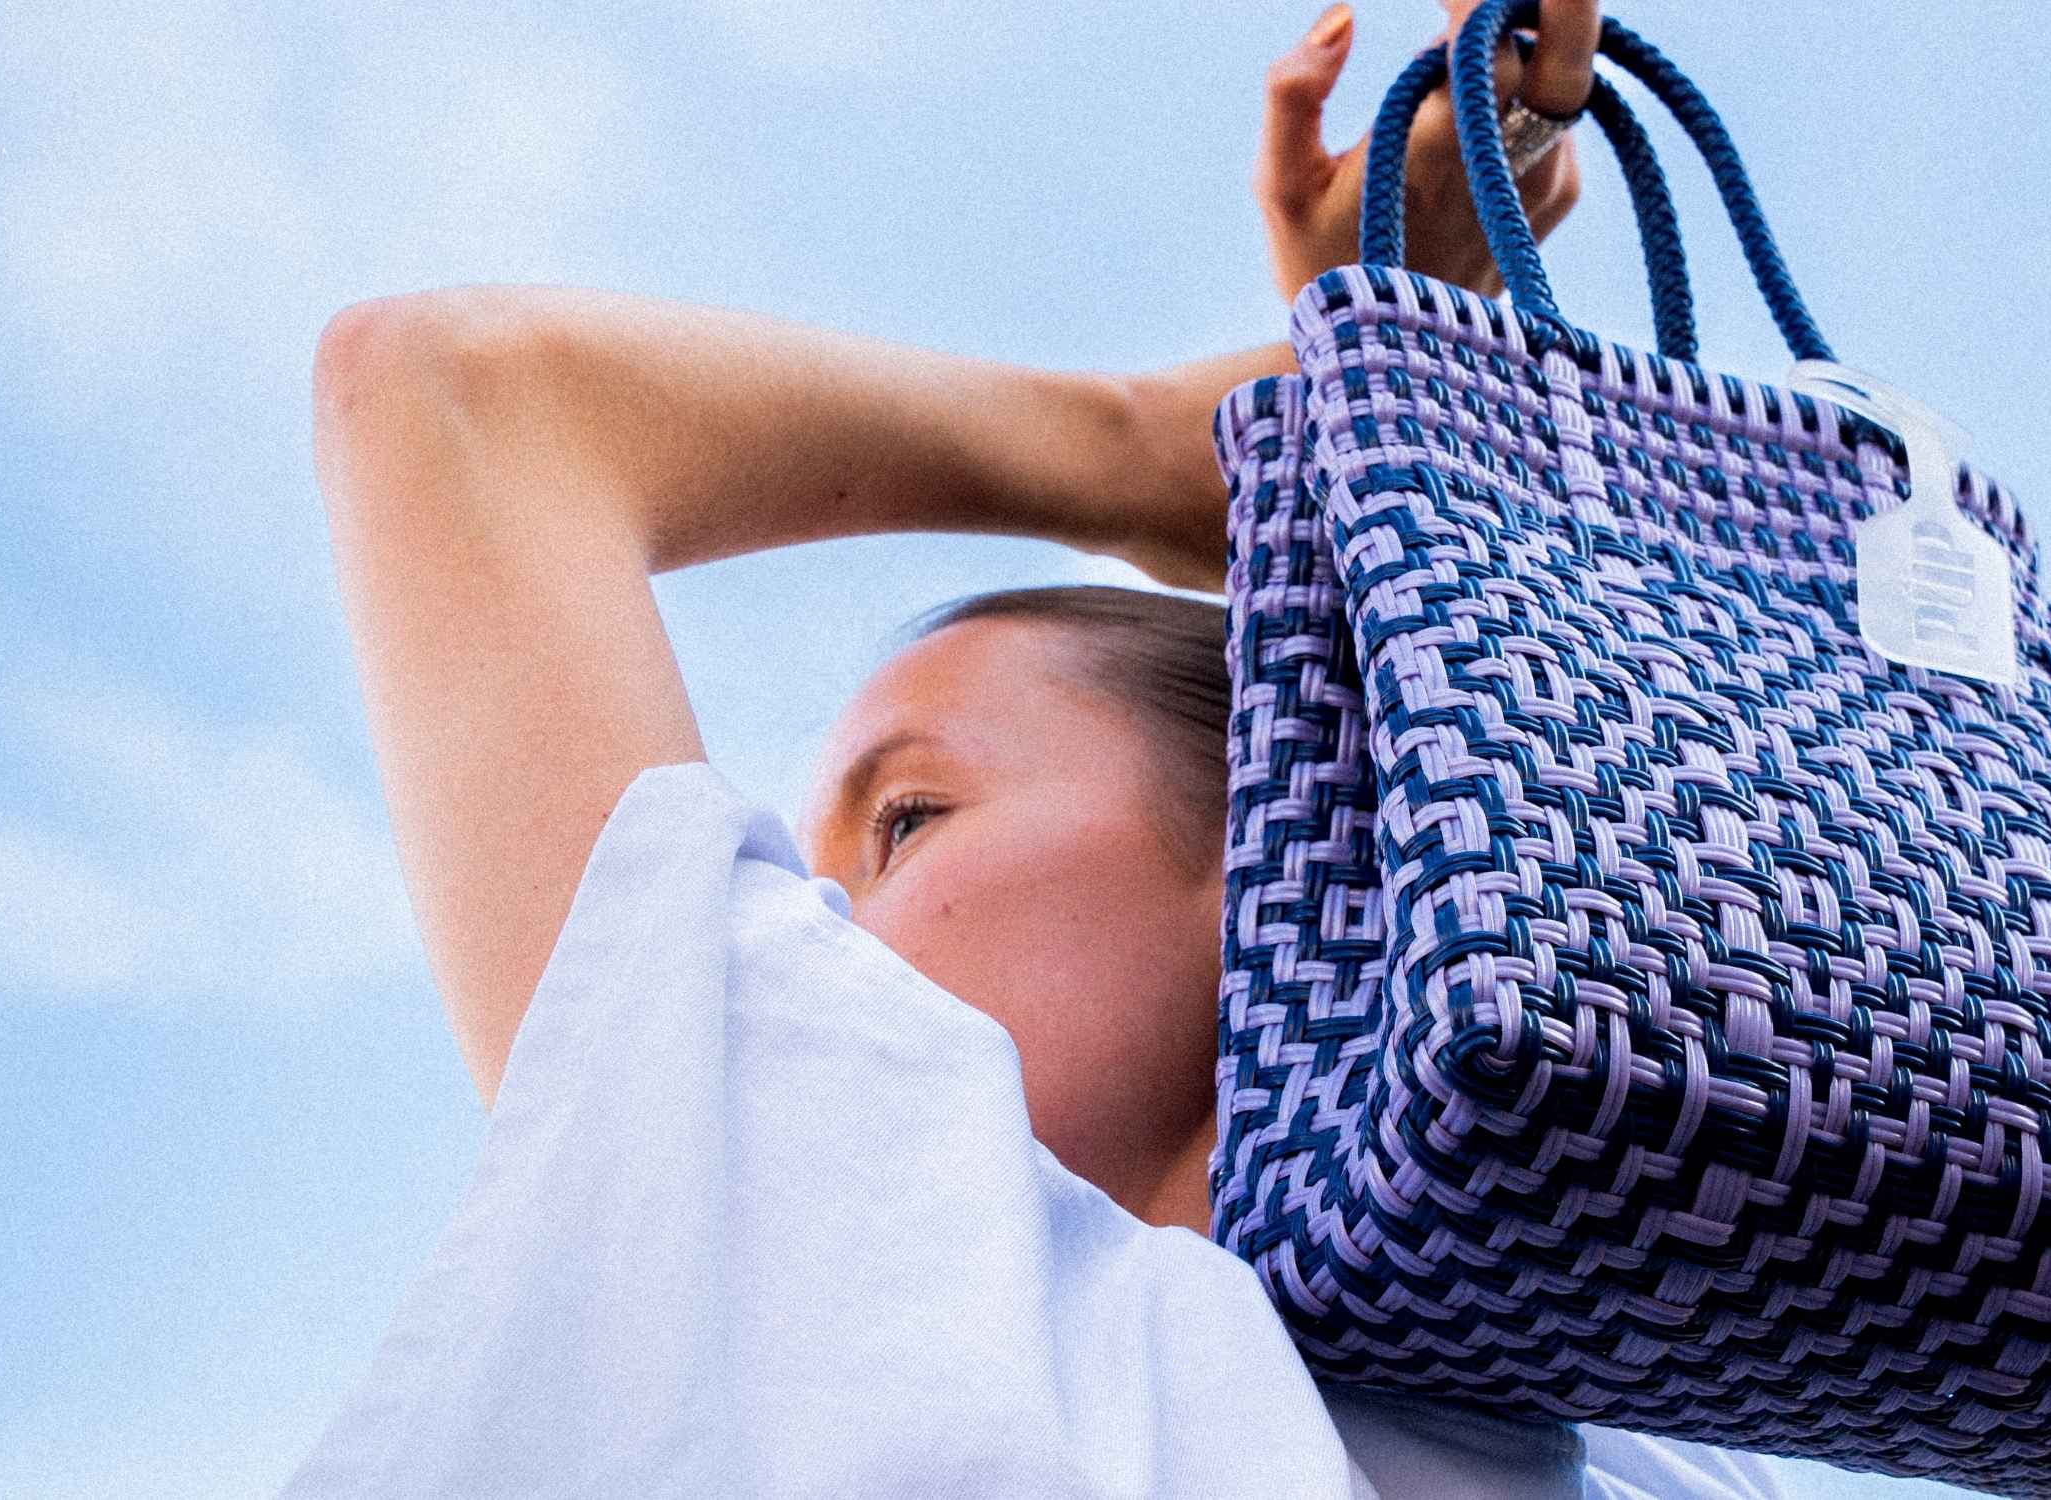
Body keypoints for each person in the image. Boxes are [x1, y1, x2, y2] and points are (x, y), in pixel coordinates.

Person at [281, 2, 1795, 1495]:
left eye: (907, 819)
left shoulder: (839, 1269)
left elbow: (451, 394)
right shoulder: (1665, 1450)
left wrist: (1142, 453)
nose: (812, 915)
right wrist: (1332, 432)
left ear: (1300, 858)